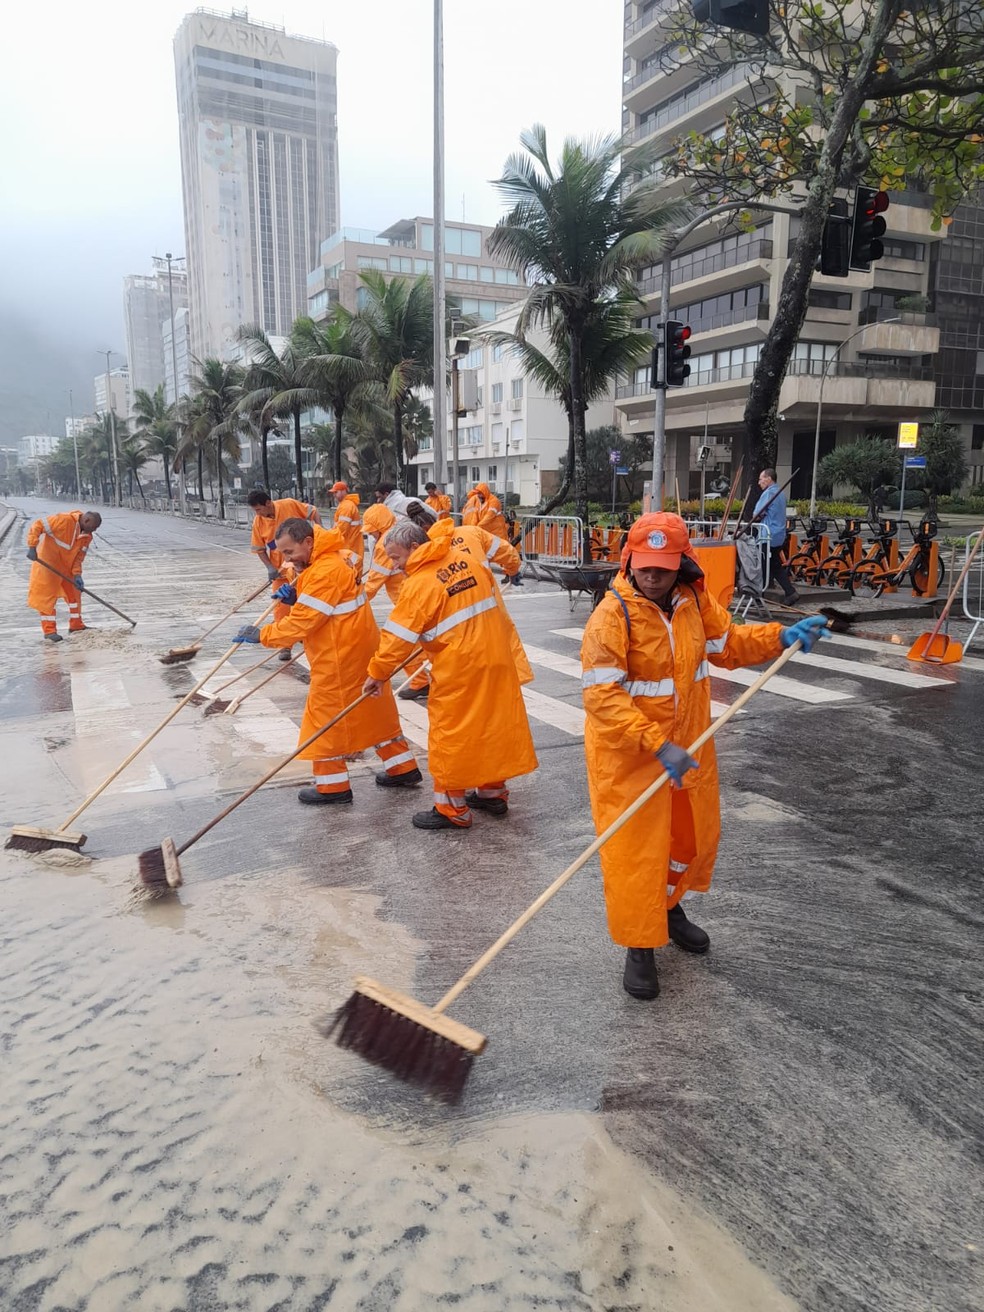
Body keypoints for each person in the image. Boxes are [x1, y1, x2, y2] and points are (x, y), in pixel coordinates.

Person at [580, 512, 827, 1001]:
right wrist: (656, 744)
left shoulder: (693, 601)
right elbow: (602, 697)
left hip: (688, 750)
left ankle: (668, 909)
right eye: (646, 565)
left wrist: (780, 635)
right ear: (630, 561)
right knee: (636, 856)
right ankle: (640, 944)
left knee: (686, 843)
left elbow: (728, 643)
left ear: (681, 565)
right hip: (630, 759)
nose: (653, 575)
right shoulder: (612, 616)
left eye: (664, 566)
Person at [363, 518, 538, 831]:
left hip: (460, 670)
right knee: (492, 727)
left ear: (415, 547)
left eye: (396, 556)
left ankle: (451, 809)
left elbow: (396, 639)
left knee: (449, 736)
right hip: (497, 659)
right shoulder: (466, 560)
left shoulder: (418, 584)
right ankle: (491, 793)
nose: (395, 564)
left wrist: (377, 672)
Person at [234, 518, 420, 805]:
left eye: (289, 552)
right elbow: (326, 603)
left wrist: (264, 635)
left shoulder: (324, 571)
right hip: (359, 647)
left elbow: (303, 624)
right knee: (374, 709)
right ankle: (402, 767)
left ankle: (332, 787)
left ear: (308, 542)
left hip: (339, 656)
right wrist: (298, 594)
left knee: (322, 719)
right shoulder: (337, 558)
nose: (287, 560)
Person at [362, 502, 431, 700]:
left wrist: (354, 604)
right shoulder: (396, 534)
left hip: (407, 599)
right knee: (415, 643)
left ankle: (421, 682)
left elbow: (374, 583)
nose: (371, 535)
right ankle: (422, 681)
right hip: (410, 597)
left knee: (401, 641)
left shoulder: (387, 544)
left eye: (372, 531)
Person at [248, 489, 321, 660]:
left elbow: (313, 511)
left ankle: (305, 636)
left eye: (259, 509)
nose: (258, 514)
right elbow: (259, 548)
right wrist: (269, 568)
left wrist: (319, 531)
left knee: (304, 603)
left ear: (268, 503)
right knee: (280, 607)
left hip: (303, 568)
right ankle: (284, 645)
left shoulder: (288, 505)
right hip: (281, 573)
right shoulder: (258, 522)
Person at [26, 509, 102, 642]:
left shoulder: (87, 536)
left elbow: (79, 557)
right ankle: (49, 631)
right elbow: (37, 525)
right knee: (47, 598)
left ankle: (76, 625)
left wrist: (77, 575)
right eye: (93, 527)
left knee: (74, 595)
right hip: (48, 565)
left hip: (67, 569)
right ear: (86, 520)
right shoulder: (63, 520)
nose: (94, 531)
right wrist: (32, 546)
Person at [462, 482, 523, 586]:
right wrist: (473, 528)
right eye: (478, 494)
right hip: (485, 533)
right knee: (485, 555)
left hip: (497, 532)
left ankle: (509, 574)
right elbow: (475, 516)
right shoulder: (479, 502)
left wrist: (476, 528)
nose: (479, 496)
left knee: (502, 553)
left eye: (481, 493)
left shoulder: (494, 501)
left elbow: (489, 517)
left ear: (485, 492)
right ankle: (486, 575)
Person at [753, 469, 798, 606]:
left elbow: (757, 513)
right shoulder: (781, 493)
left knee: (761, 565)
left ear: (768, 479)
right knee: (774, 565)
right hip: (778, 535)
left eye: (761, 479)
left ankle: (758, 597)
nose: (759, 482)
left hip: (768, 535)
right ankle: (790, 592)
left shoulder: (769, 493)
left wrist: (759, 516)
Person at [330, 481, 363, 563]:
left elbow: (341, 530)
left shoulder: (346, 506)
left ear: (343, 491)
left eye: (336, 492)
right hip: (351, 545)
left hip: (349, 546)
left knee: (350, 571)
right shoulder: (346, 505)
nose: (334, 495)